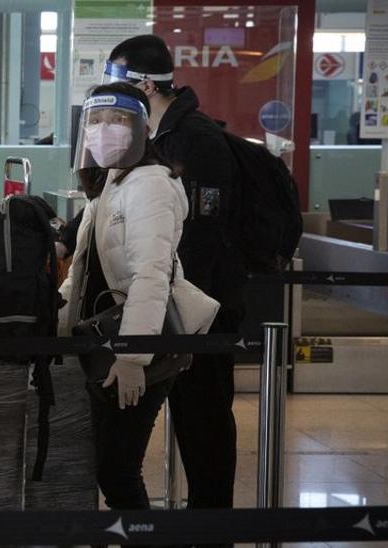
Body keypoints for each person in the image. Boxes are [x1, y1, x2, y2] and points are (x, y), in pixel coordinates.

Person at [58, 83, 213, 511]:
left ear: (142, 129)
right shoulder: (113, 181)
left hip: (135, 347)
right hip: (104, 341)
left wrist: (133, 355)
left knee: (118, 471)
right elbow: (84, 267)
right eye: (95, 121)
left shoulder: (150, 185)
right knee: (108, 467)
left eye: (118, 120)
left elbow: (152, 274)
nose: (103, 130)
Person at [108, 34, 243, 515]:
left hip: (201, 308)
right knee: (187, 415)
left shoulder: (198, 140)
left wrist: (180, 316)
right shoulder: (157, 135)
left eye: (115, 82)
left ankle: (211, 528)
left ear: (144, 84)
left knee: (203, 417)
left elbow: (202, 238)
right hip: (172, 300)